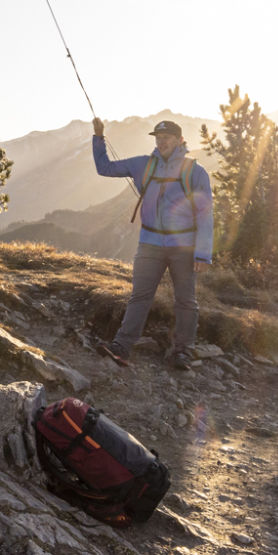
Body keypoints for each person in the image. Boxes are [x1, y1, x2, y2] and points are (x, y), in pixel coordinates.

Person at [91, 118, 214, 369]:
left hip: (184, 247)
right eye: (158, 138)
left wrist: (203, 254)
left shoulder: (194, 171)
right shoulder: (143, 164)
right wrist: (98, 137)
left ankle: (182, 351)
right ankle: (122, 347)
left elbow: (205, 214)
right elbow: (104, 168)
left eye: (167, 137)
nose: (162, 141)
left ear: (180, 140)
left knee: (186, 300)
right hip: (149, 244)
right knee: (140, 296)